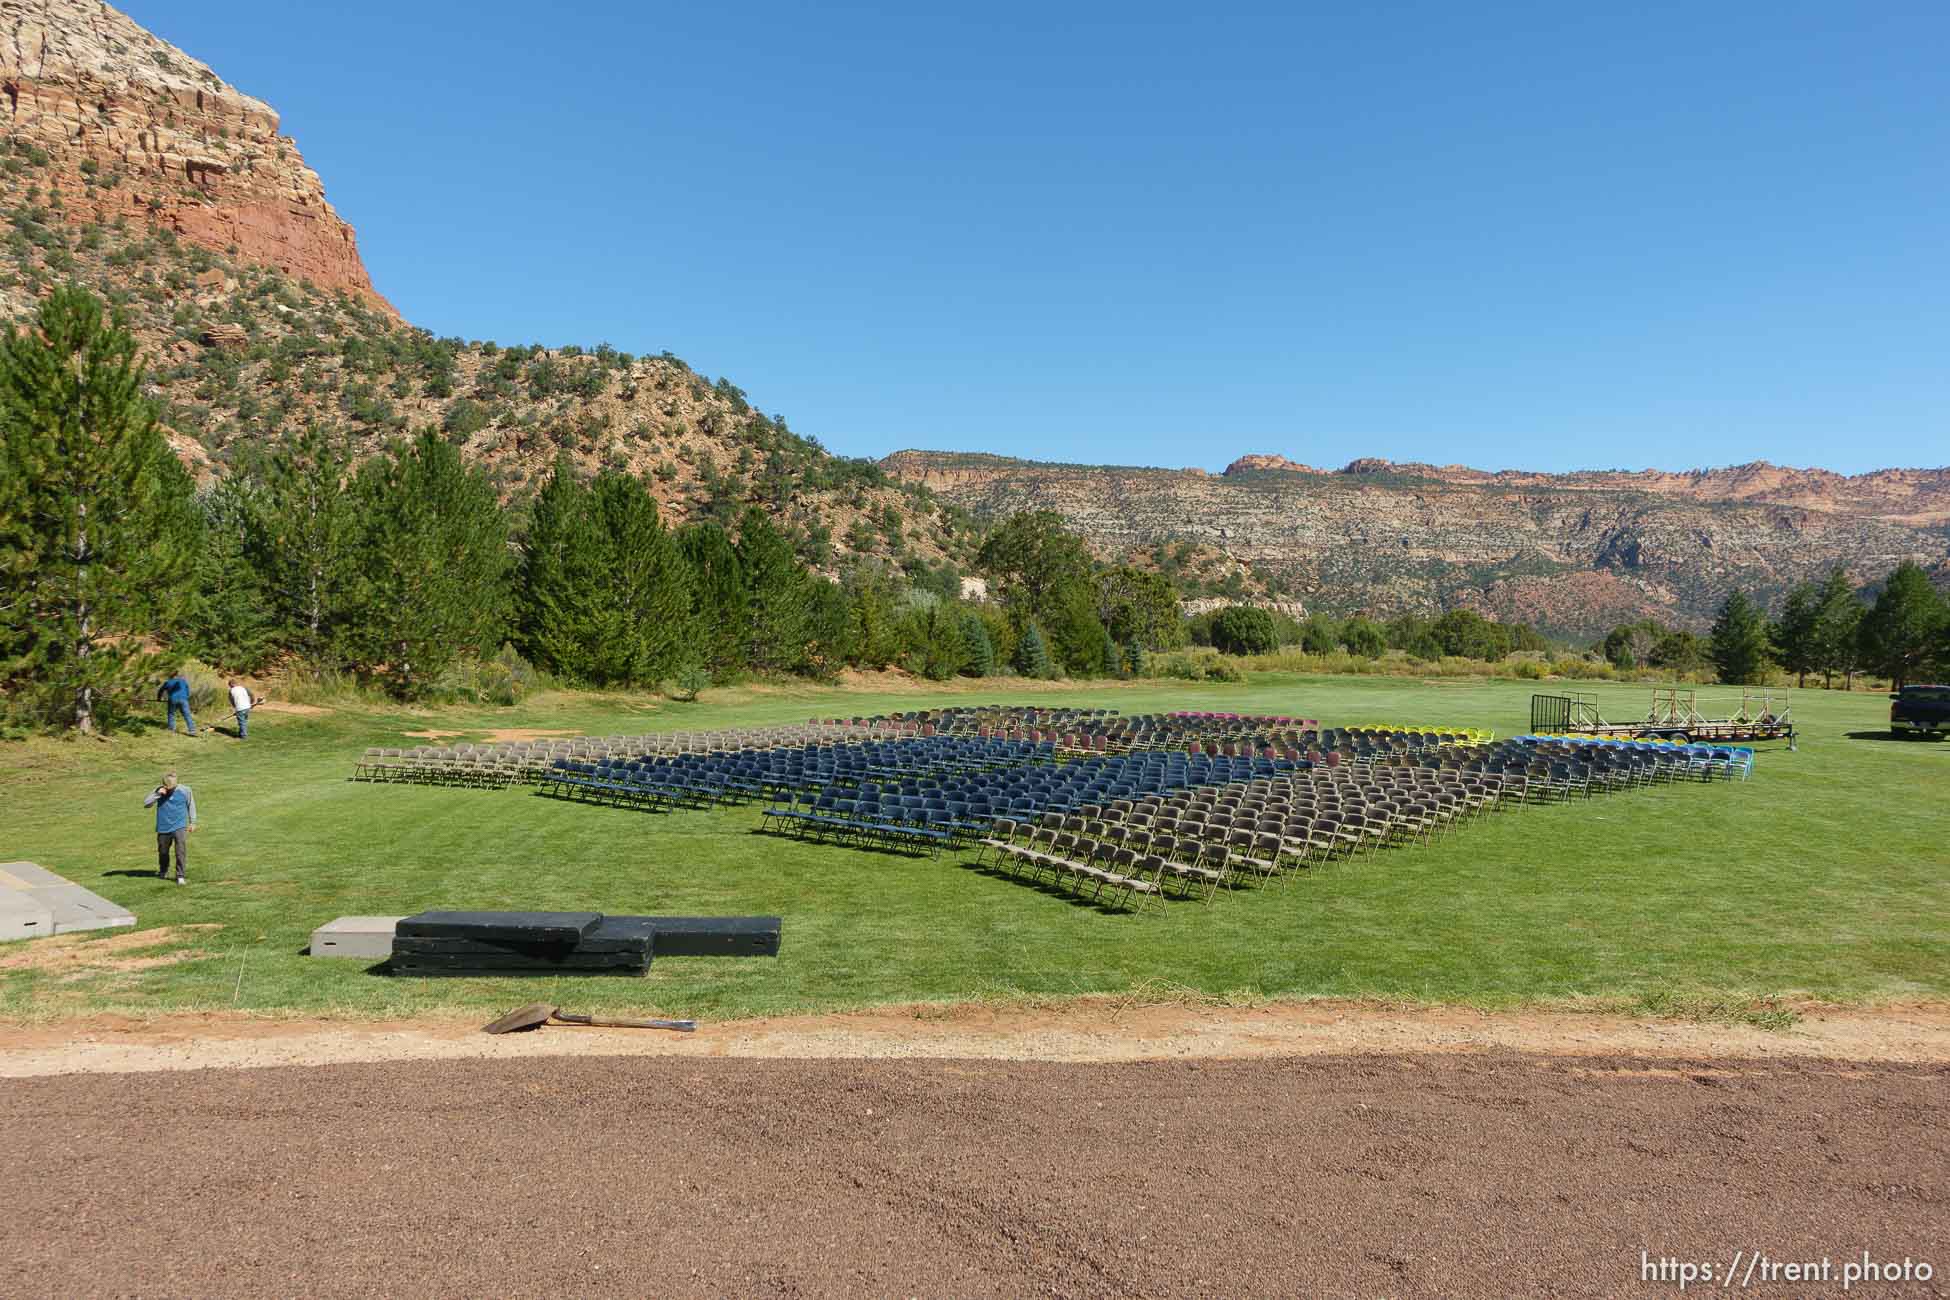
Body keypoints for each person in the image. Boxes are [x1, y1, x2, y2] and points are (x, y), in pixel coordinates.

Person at [143, 772, 196, 885]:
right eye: (167, 787)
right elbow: (146, 804)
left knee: (180, 851)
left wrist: (193, 822)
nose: (169, 789)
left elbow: (191, 805)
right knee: (163, 851)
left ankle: (180, 875)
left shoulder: (185, 790)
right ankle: (163, 870)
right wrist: (157, 794)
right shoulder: (159, 790)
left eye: (171, 787)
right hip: (163, 827)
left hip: (179, 826)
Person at [158, 670, 196, 735]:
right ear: (177, 675)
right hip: (184, 699)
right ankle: (192, 730)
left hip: (173, 699)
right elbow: (187, 690)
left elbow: (160, 691)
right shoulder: (183, 681)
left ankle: (171, 728)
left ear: (170, 676)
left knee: (171, 714)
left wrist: (159, 698)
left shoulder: (167, 682)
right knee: (187, 714)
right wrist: (186, 697)